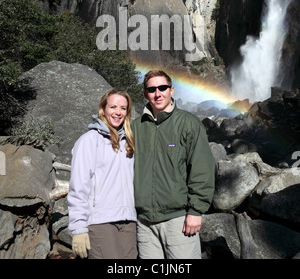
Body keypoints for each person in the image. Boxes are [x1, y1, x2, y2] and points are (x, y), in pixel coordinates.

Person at [131, 70, 215, 259]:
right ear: (145, 94)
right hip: (144, 223)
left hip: (178, 220)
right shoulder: (136, 127)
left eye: (163, 88)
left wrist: (196, 211)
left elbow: (202, 168)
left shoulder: (188, 123)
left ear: (172, 90)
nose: (157, 93)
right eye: (151, 89)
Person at [67, 88, 137, 259]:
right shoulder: (89, 140)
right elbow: (78, 186)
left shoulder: (129, 142)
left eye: (123, 108)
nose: (117, 112)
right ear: (103, 109)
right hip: (100, 222)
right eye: (113, 107)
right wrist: (78, 228)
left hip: (128, 221)